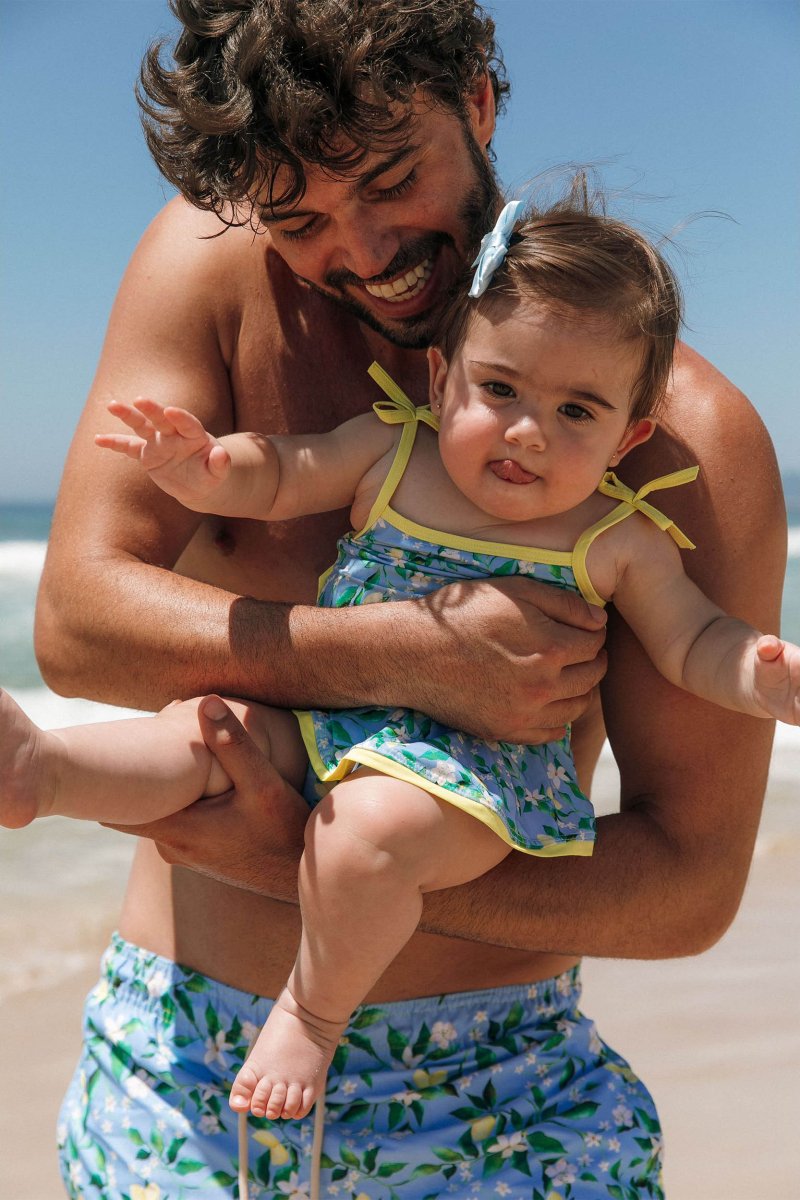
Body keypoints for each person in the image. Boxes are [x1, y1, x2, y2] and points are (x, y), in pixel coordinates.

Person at [33, 2, 784, 1197]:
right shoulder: (213, 278)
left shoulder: (679, 446)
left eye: (391, 179)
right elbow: (75, 623)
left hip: (503, 1094)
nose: (364, 246)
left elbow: (687, 889)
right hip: (177, 1074)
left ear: (477, 102)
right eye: (300, 220)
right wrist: (400, 652)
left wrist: (312, 869)